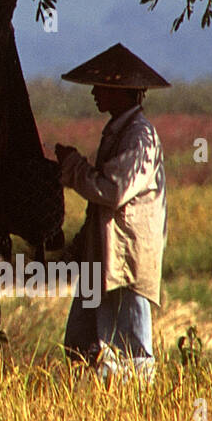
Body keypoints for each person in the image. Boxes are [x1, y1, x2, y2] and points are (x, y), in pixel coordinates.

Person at [53, 43, 169, 382]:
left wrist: (74, 167)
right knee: (81, 344)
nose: (94, 92)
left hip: (123, 261)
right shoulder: (120, 131)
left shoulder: (138, 135)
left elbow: (112, 190)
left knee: (130, 352)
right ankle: (91, 414)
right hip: (102, 259)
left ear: (120, 91)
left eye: (101, 86)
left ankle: (134, 415)